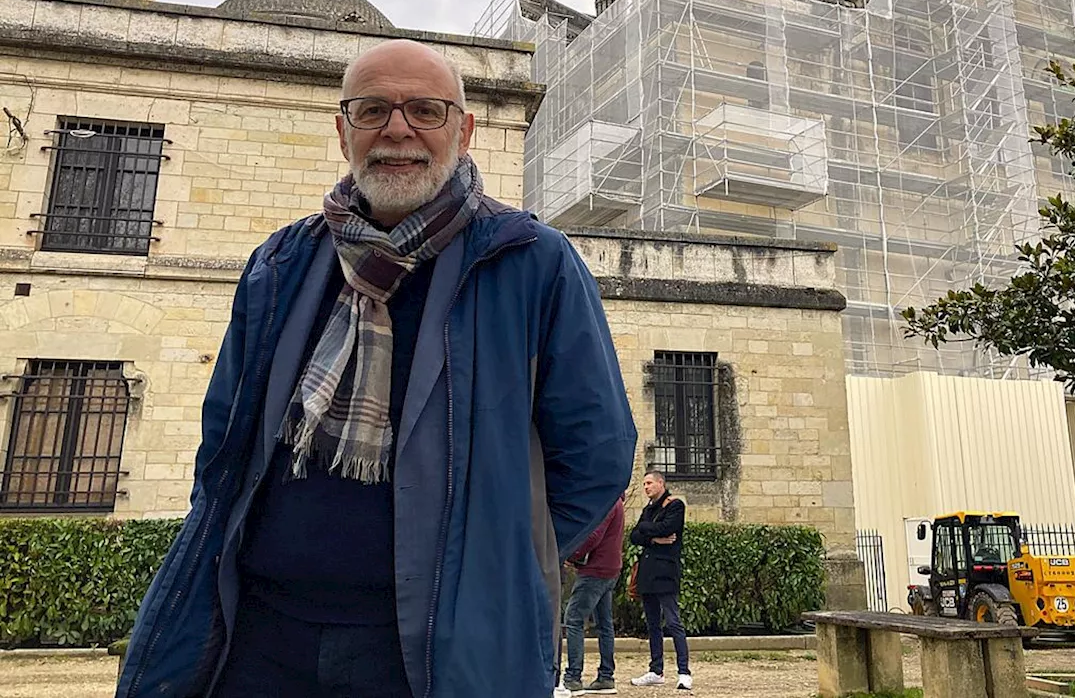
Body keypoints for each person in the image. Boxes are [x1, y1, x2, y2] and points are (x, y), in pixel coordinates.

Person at [115, 40, 637, 698]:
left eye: (425, 109)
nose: (398, 129)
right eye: (372, 111)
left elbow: (598, 454)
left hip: (426, 655)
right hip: (258, 640)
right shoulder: (281, 263)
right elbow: (225, 443)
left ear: (464, 130)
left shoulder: (532, 262)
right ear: (343, 132)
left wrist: (492, 562)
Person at [629, 470, 692, 691]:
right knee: (652, 624)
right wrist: (654, 537)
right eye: (644, 484)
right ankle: (656, 669)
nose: (646, 487)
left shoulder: (675, 505)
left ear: (661, 483)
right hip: (647, 573)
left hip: (666, 572)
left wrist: (648, 533)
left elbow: (669, 528)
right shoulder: (648, 509)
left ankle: (684, 672)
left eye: (649, 483)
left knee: (673, 622)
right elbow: (634, 535)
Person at [561, 495, 625, 694]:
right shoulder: (618, 502)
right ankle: (606, 676)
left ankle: (573, 677)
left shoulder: (606, 501)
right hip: (611, 568)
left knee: (573, 619)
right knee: (604, 624)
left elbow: (593, 536)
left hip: (594, 570)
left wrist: (571, 554)